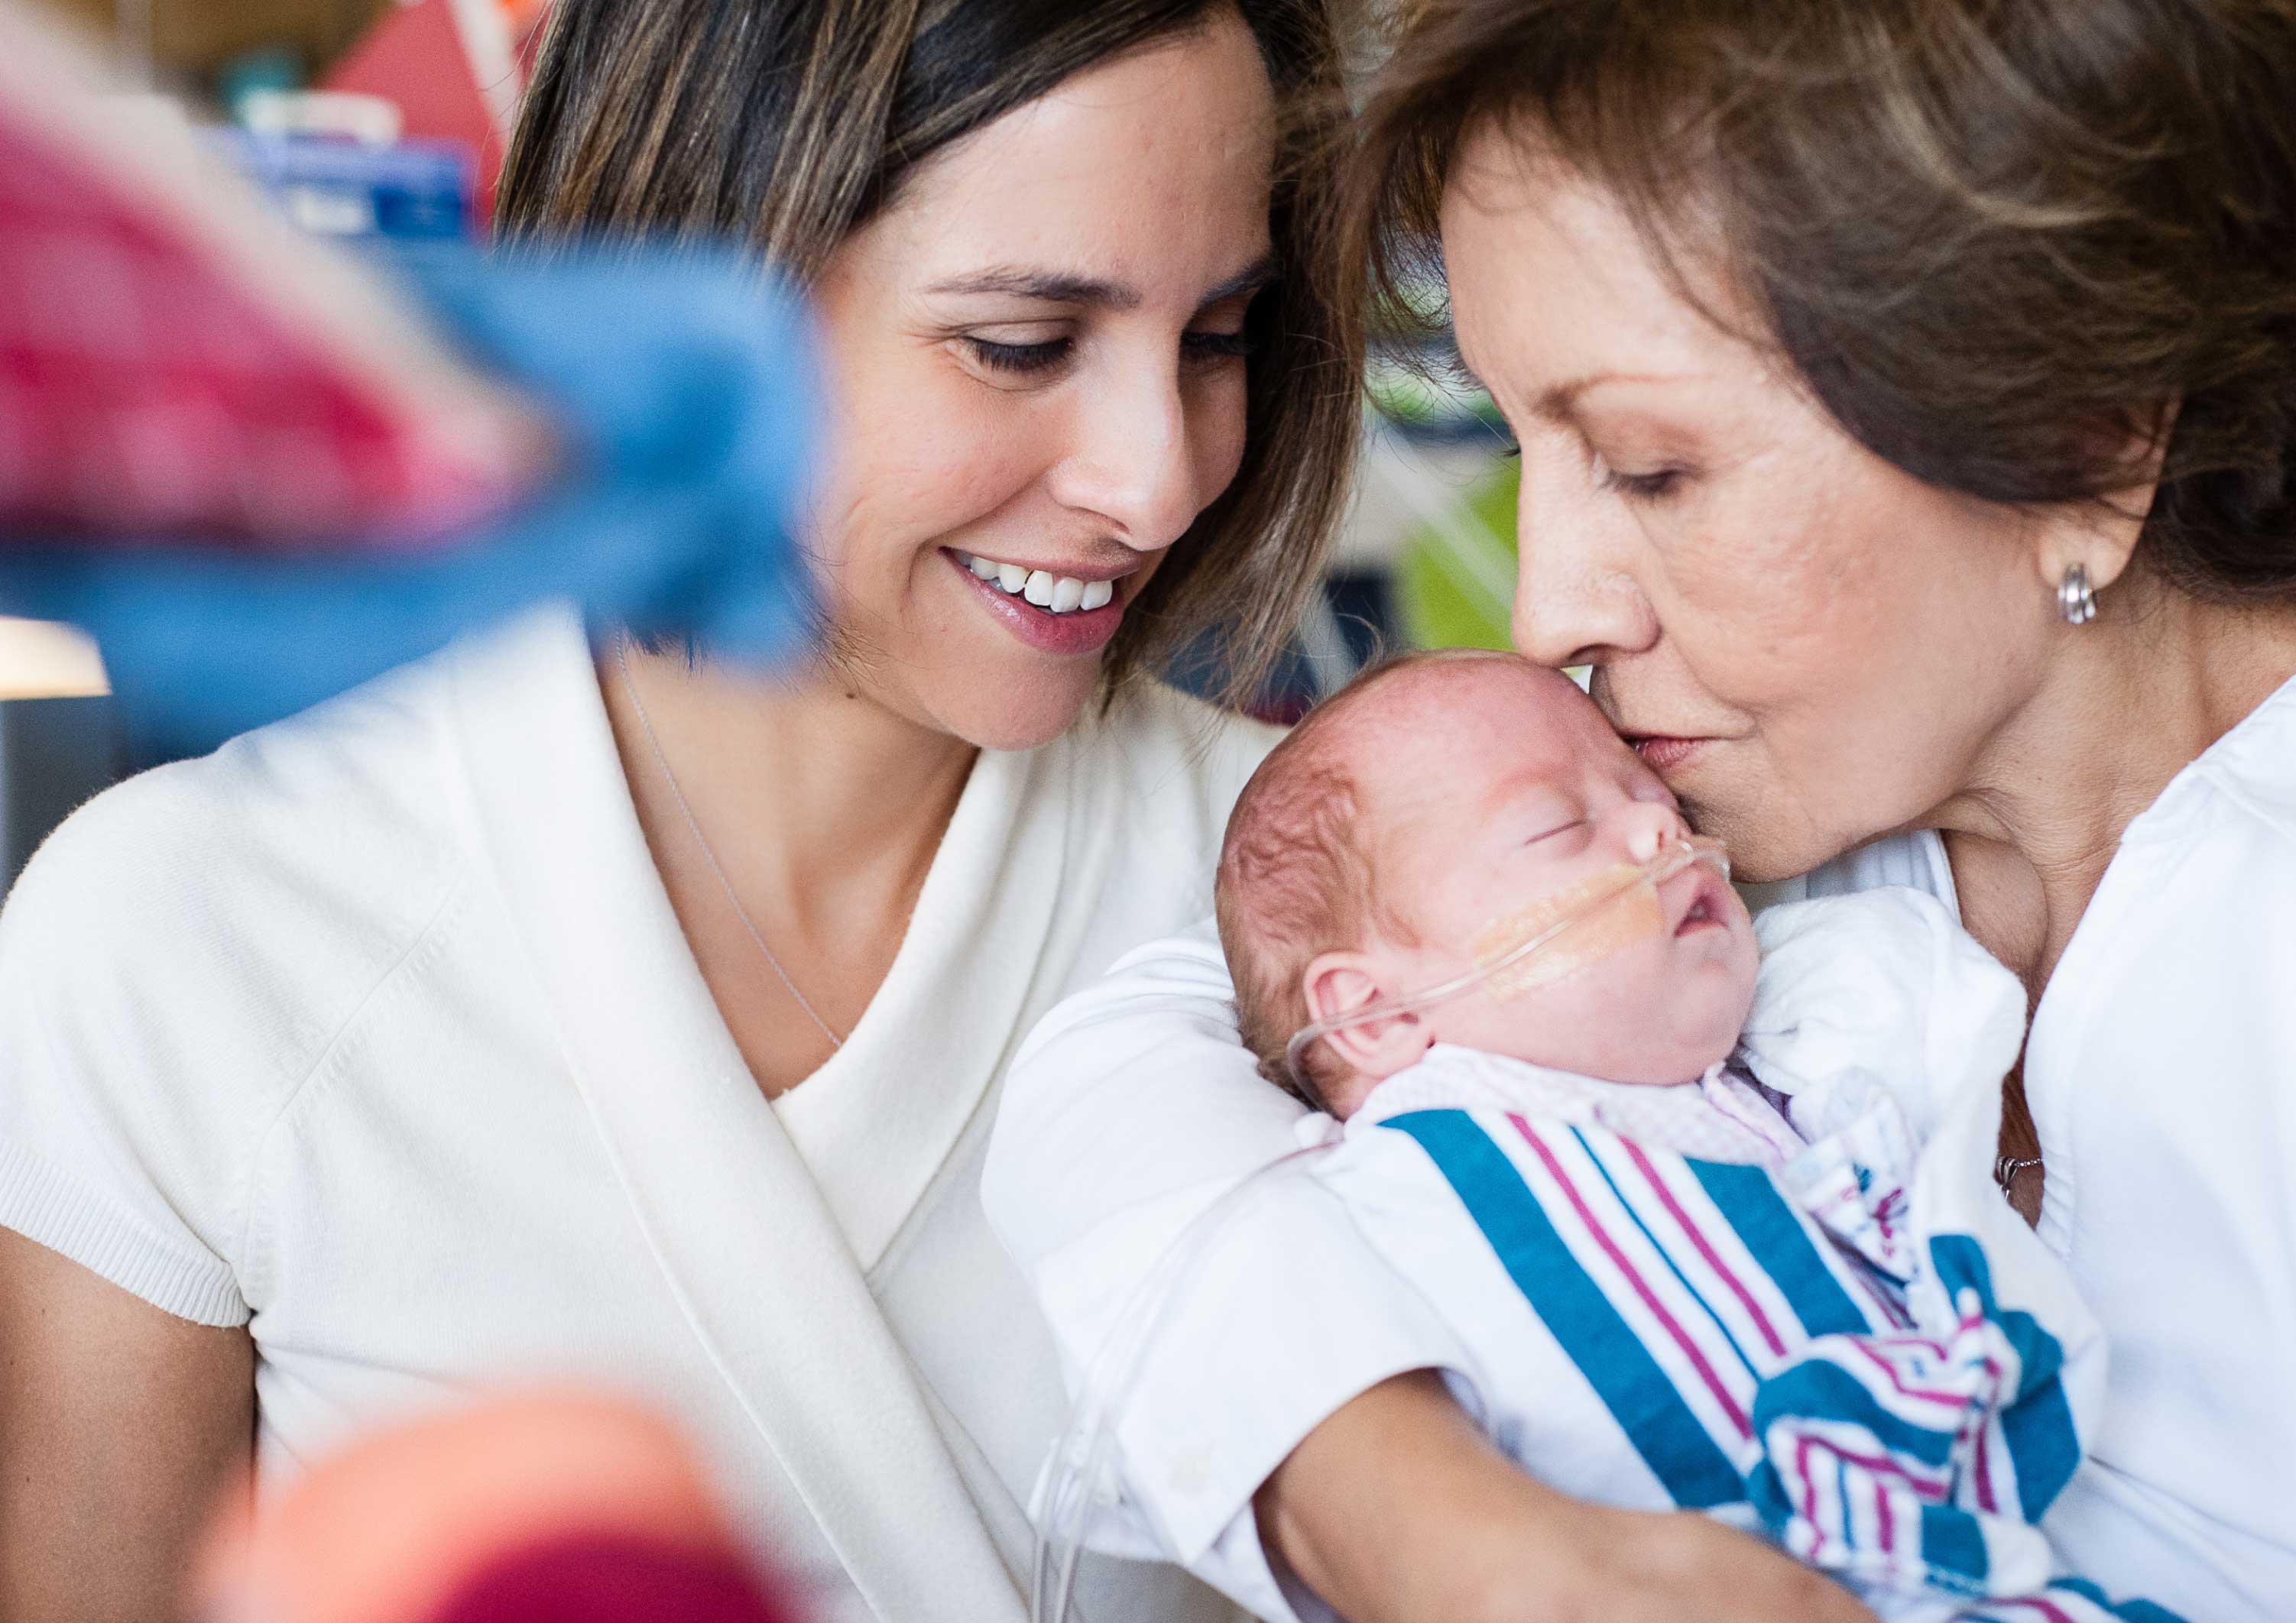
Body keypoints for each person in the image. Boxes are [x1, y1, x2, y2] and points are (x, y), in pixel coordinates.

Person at [983, 1, 2296, 1620]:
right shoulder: (1705, 816)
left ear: (2085, 436)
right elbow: (1148, 1058)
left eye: (1650, 468)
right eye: (1529, 453)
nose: (1546, 610)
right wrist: (1427, 1520)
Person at [0, 2, 1355, 1619]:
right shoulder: (184, 939)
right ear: (693, 265)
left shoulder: (1339, 899)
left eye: (1216, 339)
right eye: (1020, 343)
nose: (1156, 477)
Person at [1130, 648, 2141, 1620]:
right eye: (1558, 828)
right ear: (1373, 1018)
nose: (1658, 833)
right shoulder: (1380, 1189)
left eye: (1651, 797)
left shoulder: (1800, 1079)